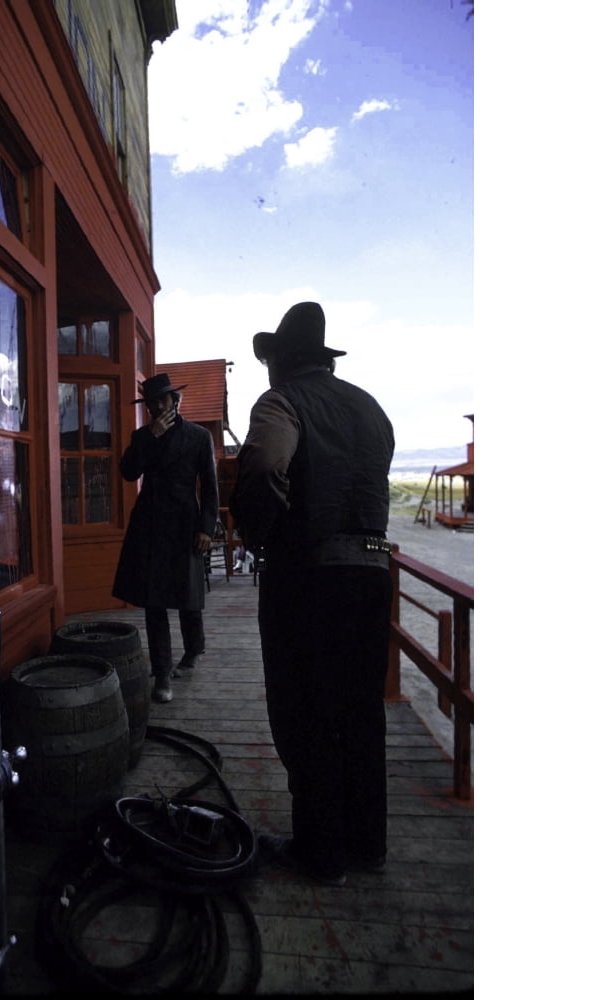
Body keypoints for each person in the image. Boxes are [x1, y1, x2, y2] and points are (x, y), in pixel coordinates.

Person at [230, 302, 395, 887]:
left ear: (281, 361)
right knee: (361, 710)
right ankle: (368, 844)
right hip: (374, 576)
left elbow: (266, 465)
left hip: (308, 579)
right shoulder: (371, 409)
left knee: (307, 712)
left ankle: (322, 854)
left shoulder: (279, 401)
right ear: (322, 360)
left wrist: (257, 532)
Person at [112, 373, 218, 704]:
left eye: (164, 400)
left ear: (176, 401)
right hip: (150, 526)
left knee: (188, 595)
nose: (158, 407)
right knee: (154, 601)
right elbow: (128, 472)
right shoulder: (142, 435)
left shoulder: (199, 437)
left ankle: (194, 649)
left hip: (186, 523)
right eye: (152, 403)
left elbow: (211, 487)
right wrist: (151, 439)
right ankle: (162, 673)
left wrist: (206, 527)